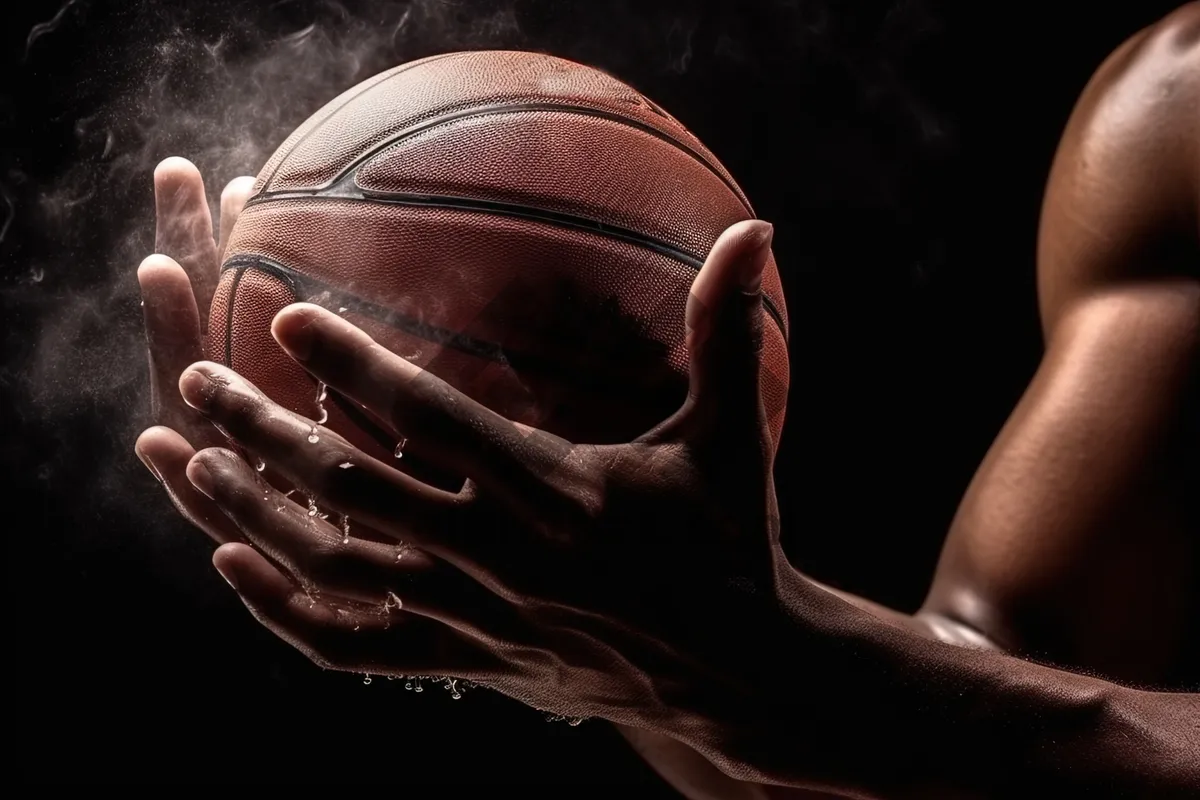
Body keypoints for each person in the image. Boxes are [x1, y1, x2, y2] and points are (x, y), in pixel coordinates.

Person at [133, 4, 1200, 797]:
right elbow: (980, 710)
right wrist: (596, 609)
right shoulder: (1176, 117)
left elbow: (939, 715)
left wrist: (793, 672)